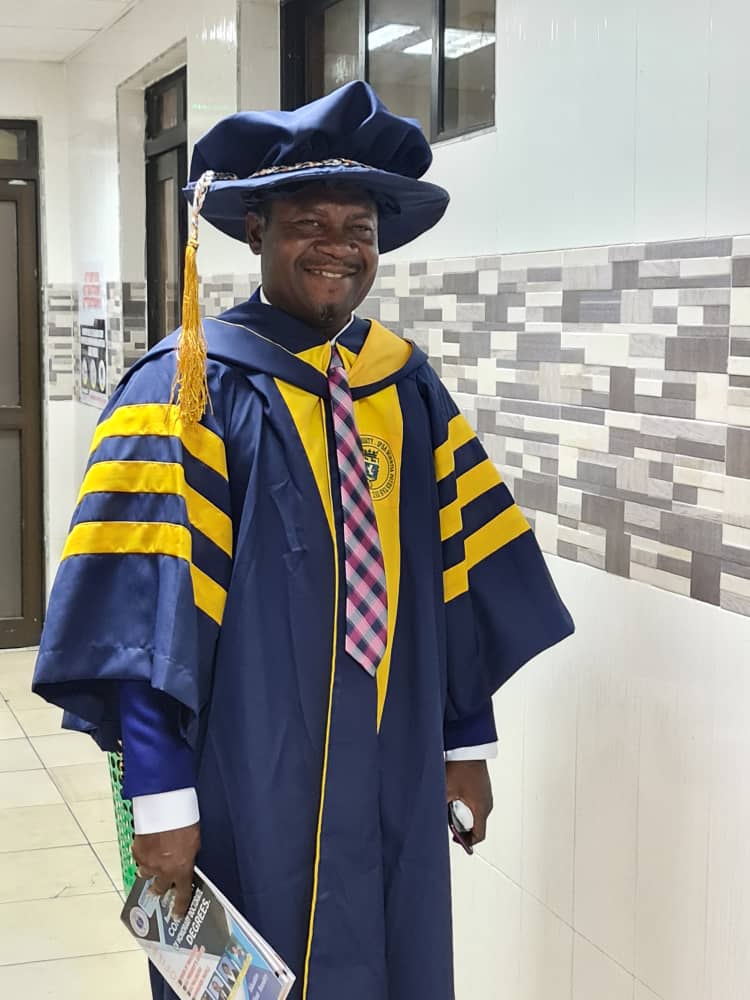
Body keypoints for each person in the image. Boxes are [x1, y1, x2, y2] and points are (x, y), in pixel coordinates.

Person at [32, 82, 574, 1000]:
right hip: (248, 769)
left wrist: (465, 745)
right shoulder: (188, 389)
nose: (338, 246)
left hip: (392, 759)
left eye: (358, 227)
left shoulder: (402, 385)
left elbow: (452, 579)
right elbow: (144, 622)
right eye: (308, 223)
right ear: (255, 232)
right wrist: (160, 803)